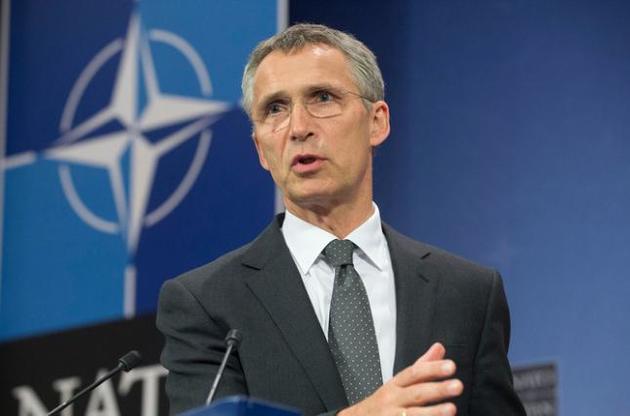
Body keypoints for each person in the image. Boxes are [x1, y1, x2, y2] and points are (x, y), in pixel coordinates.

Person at [157, 23, 525, 416]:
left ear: (376, 122)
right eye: (275, 109)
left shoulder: (466, 293)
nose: (298, 128)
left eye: (322, 97)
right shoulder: (207, 303)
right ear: (261, 149)